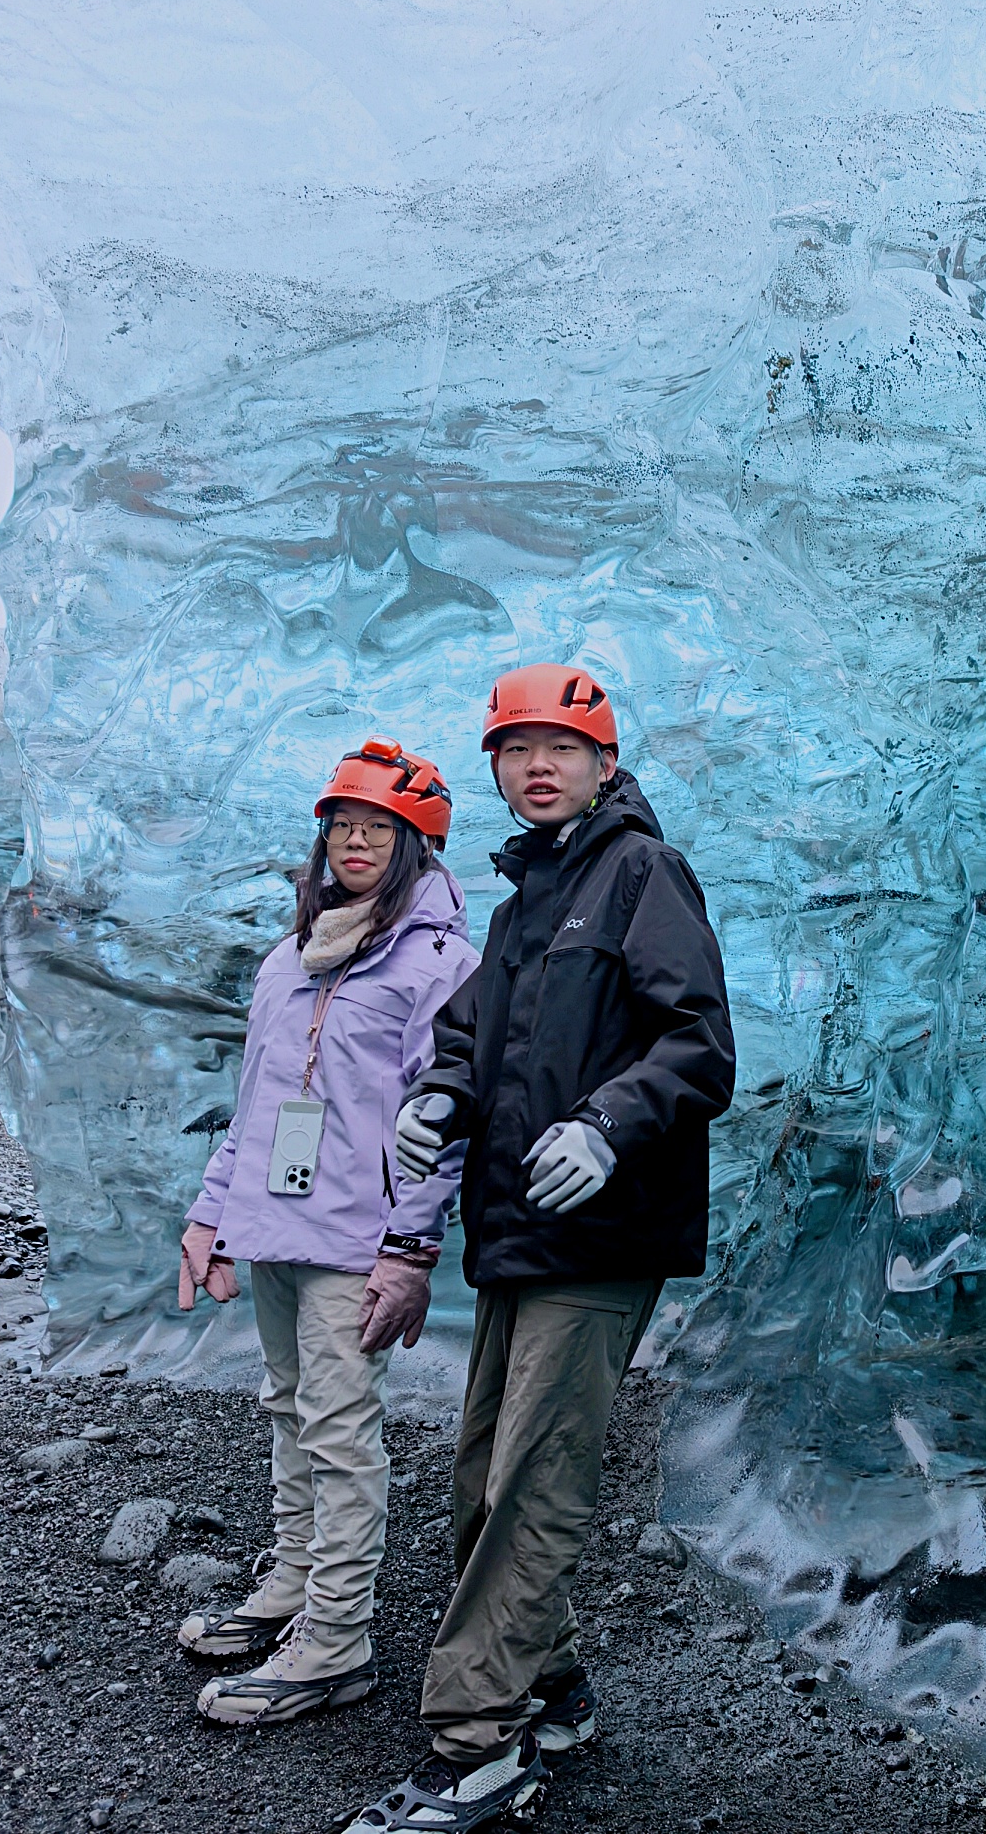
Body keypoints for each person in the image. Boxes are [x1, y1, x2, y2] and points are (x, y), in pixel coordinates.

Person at [347, 664, 734, 1833]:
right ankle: (553, 1687)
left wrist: (609, 1123)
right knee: (486, 1475)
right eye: (516, 748)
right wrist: (442, 1095)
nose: (538, 765)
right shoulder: (526, 901)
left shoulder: (641, 873)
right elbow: (475, 1039)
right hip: (518, 1228)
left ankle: (479, 1743)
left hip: (602, 1232)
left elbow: (699, 1044)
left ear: (604, 764)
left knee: (534, 1481)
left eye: (561, 746)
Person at [176, 739, 480, 1727]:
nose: (354, 841)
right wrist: (212, 1214)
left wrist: (411, 1248)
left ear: (416, 843)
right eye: (342, 825)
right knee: (287, 1406)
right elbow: (258, 1102)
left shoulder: (438, 964)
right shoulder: (290, 956)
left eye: (377, 828)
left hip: (358, 1238)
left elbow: (445, 1121)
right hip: (277, 1223)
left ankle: (337, 1638)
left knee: (341, 1431)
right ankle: (294, 1584)